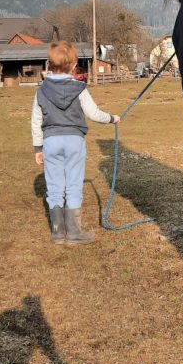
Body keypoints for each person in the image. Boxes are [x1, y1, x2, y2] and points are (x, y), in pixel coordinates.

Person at [31, 41, 120, 244]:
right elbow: (94, 114)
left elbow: (36, 121)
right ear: (73, 66)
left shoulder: (40, 91)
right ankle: (73, 232)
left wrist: (38, 148)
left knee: (54, 187)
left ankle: (57, 232)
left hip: (50, 142)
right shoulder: (80, 89)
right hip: (74, 142)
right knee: (73, 185)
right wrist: (112, 118)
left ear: (49, 64)